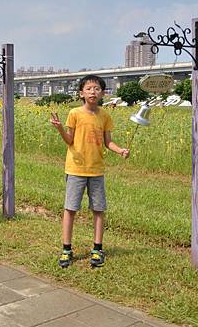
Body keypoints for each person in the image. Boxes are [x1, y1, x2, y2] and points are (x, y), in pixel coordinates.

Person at [50, 74, 130, 268]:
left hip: (96, 170)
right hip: (76, 168)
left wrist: (120, 150)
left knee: (99, 209)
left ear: (103, 93)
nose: (93, 91)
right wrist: (60, 128)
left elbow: (107, 141)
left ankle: (97, 249)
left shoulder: (105, 116)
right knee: (70, 209)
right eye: (89, 88)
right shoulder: (75, 113)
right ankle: (66, 249)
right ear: (81, 93)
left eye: (96, 88)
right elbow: (70, 140)